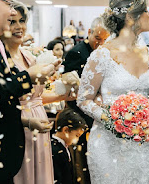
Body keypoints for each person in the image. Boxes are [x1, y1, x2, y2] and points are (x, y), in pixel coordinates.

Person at [0, 0, 57, 183]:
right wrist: (27, 77)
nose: (12, 11)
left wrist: (24, 120)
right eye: (8, 3)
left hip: (2, 155)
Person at [77, 0, 149, 183]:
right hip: (108, 142)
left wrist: (145, 115)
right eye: (145, 11)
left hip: (142, 143)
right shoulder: (102, 55)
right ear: (130, 17)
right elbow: (83, 99)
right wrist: (113, 119)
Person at [0, 0, 56, 184]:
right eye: (12, 21)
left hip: (40, 123)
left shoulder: (30, 57)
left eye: (22, 21)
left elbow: (37, 97)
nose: (19, 27)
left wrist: (64, 95)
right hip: (18, 125)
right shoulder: (0, 60)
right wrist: (27, 121)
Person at [62, 16, 109, 184]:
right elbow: (71, 87)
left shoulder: (105, 53)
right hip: (81, 115)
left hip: (99, 115)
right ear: (89, 32)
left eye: (105, 40)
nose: (101, 43)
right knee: (83, 161)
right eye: (97, 38)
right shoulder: (76, 53)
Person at [51, 108, 87, 184]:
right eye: (77, 135)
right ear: (66, 130)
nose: (77, 139)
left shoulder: (65, 146)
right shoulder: (54, 149)